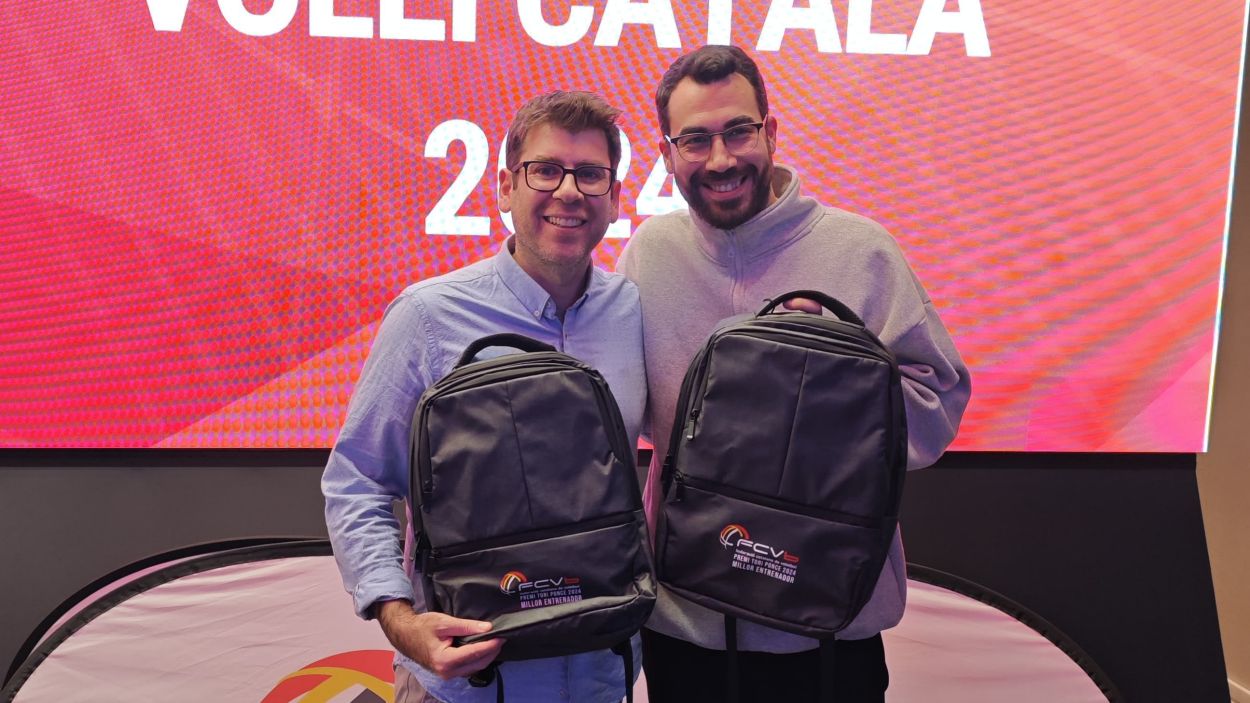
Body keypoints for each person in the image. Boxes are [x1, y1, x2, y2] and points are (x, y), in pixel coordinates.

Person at [617, 45, 972, 702]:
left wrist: (842, 377)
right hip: (684, 629)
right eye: (695, 139)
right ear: (666, 154)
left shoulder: (862, 251)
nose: (721, 159)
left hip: (827, 634)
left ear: (771, 132)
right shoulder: (649, 254)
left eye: (739, 131)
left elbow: (935, 408)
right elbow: (613, 414)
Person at [323, 90, 646, 703]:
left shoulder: (631, 311)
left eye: (591, 174)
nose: (569, 191)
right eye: (545, 170)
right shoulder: (427, 316)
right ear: (504, 187)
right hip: (468, 685)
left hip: (601, 676)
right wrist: (399, 620)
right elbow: (357, 481)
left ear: (615, 195)